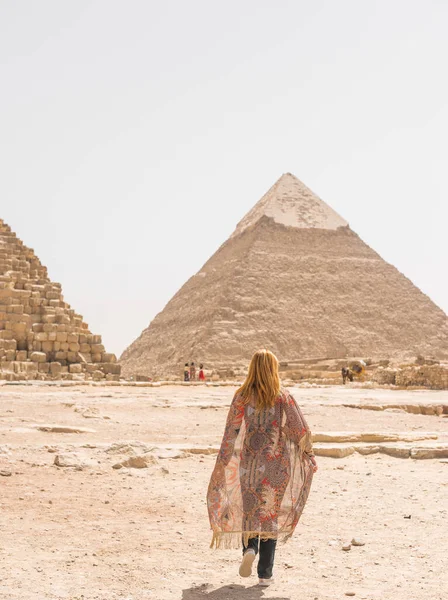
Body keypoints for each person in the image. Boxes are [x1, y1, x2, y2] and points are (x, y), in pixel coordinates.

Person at [207, 349, 317, 586]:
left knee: (251, 512)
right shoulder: (282, 396)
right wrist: (309, 454)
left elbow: (231, 432)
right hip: (276, 464)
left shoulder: (241, 396)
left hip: (249, 464)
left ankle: (250, 548)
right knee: (269, 515)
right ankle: (265, 575)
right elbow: (299, 430)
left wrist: (223, 461)